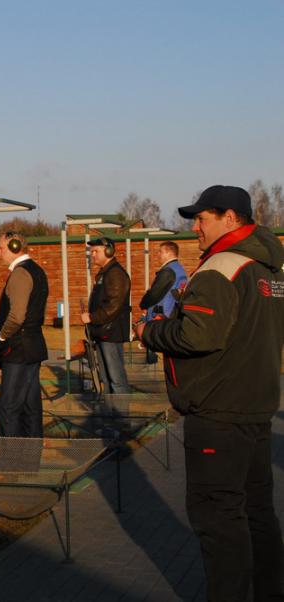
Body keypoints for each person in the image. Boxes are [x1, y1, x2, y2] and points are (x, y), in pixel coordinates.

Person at [136, 185, 283, 601]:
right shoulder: (271, 269)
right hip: (256, 408)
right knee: (257, 512)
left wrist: (150, 332)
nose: (195, 227)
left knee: (218, 518)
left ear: (230, 218)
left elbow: (199, 334)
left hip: (218, 412)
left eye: (202, 219)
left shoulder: (221, 267)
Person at [0, 231, 48, 439]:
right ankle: (31, 456)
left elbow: (16, 316)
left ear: (14, 247)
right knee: (30, 409)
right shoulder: (36, 270)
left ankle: (12, 457)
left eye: (0, 248)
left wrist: (1, 337)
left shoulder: (20, 274)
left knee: (9, 409)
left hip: (18, 350)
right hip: (30, 347)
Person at [80, 237, 132, 393]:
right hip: (103, 331)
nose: (93, 255)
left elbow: (113, 306)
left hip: (111, 332)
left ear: (109, 251)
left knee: (116, 380)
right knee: (107, 378)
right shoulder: (106, 273)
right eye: (92, 252)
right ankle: (110, 408)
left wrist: (91, 317)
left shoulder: (115, 273)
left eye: (96, 251)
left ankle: (120, 409)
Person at [138, 241, 188, 363]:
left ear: (168, 252)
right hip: (172, 315)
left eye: (160, 252)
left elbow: (155, 293)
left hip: (161, 316)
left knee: (161, 357)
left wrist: (143, 304)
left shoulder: (168, 271)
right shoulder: (179, 269)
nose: (158, 255)